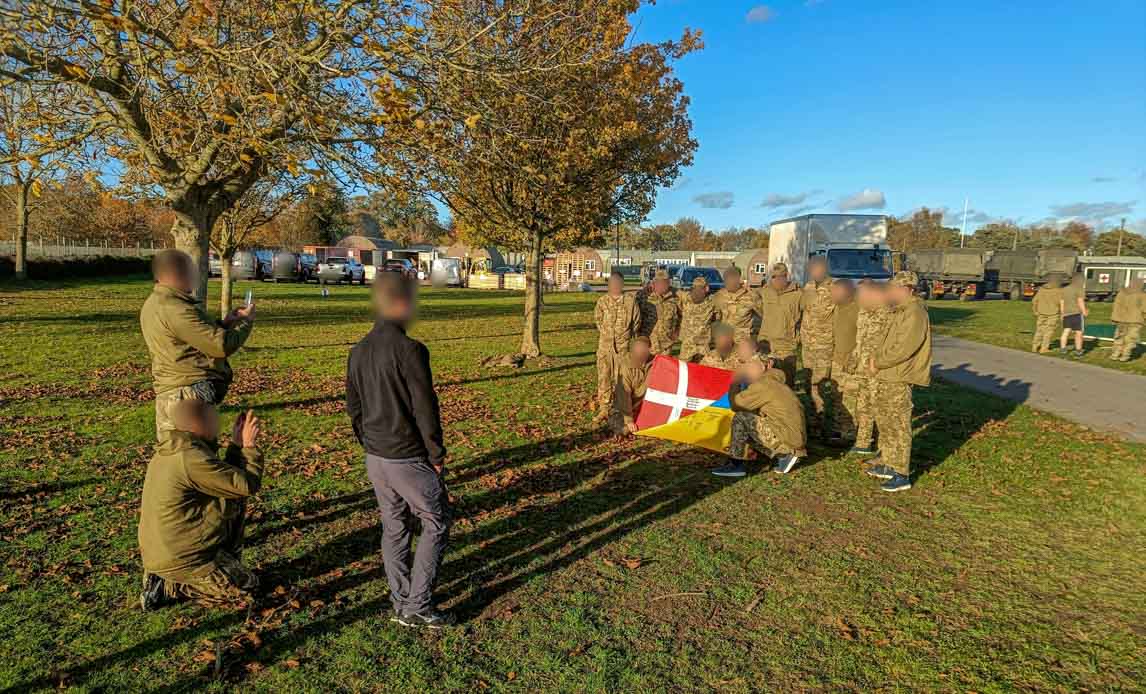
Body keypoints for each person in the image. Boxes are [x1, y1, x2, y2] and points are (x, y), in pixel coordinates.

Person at [346, 273, 453, 628]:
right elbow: (426, 407)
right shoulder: (411, 351)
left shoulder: (358, 351)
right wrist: (436, 456)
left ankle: (400, 598)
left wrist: (368, 442)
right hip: (406, 456)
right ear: (403, 303)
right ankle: (417, 605)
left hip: (375, 457)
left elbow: (354, 407)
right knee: (435, 522)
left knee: (394, 527)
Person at [138, 400, 262, 610]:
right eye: (214, 418)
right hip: (183, 555)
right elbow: (246, 484)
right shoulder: (191, 459)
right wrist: (249, 447)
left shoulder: (176, 449)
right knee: (247, 588)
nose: (218, 422)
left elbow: (226, 482)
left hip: (169, 549)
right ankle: (169, 586)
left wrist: (236, 445)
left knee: (231, 497)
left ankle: (170, 575)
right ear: (198, 424)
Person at [140, 249, 255, 441]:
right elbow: (220, 346)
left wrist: (225, 324)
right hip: (186, 396)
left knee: (182, 461)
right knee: (196, 461)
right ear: (180, 274)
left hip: (176, 391)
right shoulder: (175, 309)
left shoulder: (158, 303)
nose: (197, 276)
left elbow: (190, 340)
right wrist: (246, 322)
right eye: (193, 271)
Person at [864, 271, 932, 493]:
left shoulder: (914, 312)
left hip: (898, 376)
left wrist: (879, 362)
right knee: (885, 421)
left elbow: (904, 347)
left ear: (907, 289)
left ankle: (901, 473)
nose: (890, 292)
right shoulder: (899, 310)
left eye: (893, 288)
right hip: (886, 375)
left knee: (898, 424)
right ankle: (888, 462)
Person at [712, 354, 806, 478]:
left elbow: (736, 404)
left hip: (789, 438)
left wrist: (734, 383)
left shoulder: (764, 385)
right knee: (749, 422)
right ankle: (782, 454)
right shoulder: (774, 381)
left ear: (763, 367)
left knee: (741, 418)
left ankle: (736, 464)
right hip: (793, 435)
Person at [849, 281, 892, 456]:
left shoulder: (888, 313)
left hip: (879, 369)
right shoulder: (863, 312)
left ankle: (885, 448)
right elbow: (860, 339)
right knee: (863, 406)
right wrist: (854, 358)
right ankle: (863, 442)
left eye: (862, 294)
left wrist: (879, 364)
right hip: (862, 368)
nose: (859, 298)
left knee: (880, 408)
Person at [593, 270, 641, 423]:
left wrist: (625, 338)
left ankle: (619, 409)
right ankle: (604, 408)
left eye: (617, 283)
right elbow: (598, 320)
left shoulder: (630, 302)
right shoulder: (602, 301)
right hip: (605, 348)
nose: (614, 286)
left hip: (623, 348)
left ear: (622, 284)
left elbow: (636, 322)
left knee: (621, 380)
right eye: (611, 283)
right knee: (604, 378)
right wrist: (607, 335)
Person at [799, 257, 836, 436]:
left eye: (818, 268)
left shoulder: (835, 289)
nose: (815, 271)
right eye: (812, 269)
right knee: (808, 385)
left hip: (824, 345)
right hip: (807, 346)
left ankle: (825, 425)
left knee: (822, 386)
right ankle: (812, 422)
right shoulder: (808, 287)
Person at [756, 262, 802, 386]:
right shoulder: (764, 292)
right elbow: (759, 311)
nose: (777, 280)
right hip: (766, 345)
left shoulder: (798, 294)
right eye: (774, 277)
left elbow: (804, 317)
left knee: (787, 383)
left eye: (781, 276)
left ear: (786, 276)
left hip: (786, 347)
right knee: (764, 382)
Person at [827, 279, 859, 446]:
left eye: (834, 292)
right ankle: (839, 428)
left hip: (851, 364)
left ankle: (850, 433)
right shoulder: (838, 308)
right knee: (837, 397)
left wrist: (854, 360)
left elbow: (865, 339)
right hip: (837, 361)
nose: (831, 295)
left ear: (846, 291)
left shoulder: (858, 310)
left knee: (850, 399)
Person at [616, 337, 654, 435]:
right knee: (625, 430)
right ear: (632, 350)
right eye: (638, 349)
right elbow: (624, 394)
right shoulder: (626, 366)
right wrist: (629, 420)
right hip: (626, 406)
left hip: (646, 406)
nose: (640, 352)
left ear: (649, 349)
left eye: (643, 349)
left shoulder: (656, 363)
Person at [712, 266, 759, 345]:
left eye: (731, 279)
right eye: (726, 280)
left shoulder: (751, 296)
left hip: (743, 343)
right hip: (725, 342)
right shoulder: (719, 296)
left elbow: (766, 317)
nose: (728, 283)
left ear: (738, 279)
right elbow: (714, 318)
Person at [678, 276, 716, 362]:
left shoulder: (713, 301)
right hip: (688, 344)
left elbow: (717, 317)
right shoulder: (685, 297)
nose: (697, 291)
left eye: (700, 288)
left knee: (703, 370)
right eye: (695, 288)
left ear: (706, 289)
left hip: (702, 344)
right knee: (684, 370)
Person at [643, 269, 681, 356]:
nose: (661, 285)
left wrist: (677, 333)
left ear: (668, 283)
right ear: (654, 283)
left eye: (664, 282)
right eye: (659, 282)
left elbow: (681, 317)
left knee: (664, 369)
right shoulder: (646, 297)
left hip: (666, 345)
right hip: (649, 344)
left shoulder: (676, 299)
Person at [1109, 277, 1145, 362]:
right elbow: (1144, 309)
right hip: (1135, 320)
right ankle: (1125, 356)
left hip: (1121, 319)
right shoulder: (1142, 295)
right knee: (1131, 339)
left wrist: (1114, 318)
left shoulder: (1121, 293)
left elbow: (1116, 306)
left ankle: (1115, 354)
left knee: (1119, 337)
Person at [1030, 277, 1063, 354]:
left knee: (1039, 329)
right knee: (1049, 331)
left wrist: (1035, 310)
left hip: (1041, 312)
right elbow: (1061, 303)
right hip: (1053, 313)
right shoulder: (1059, 291)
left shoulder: (1042, 289)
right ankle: (1044, 348)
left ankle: (1034, 346)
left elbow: (1034, 301)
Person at [1059, 273, 1088, 356]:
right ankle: (1078, 350)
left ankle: (1063, 348)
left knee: (1066, 331)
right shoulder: (1079, 289)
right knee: (1079, 333)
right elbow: (1080, 301)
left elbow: (1062, 302)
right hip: (1077, 313)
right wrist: (1084, 311)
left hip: (1066, 313)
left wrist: (1062, 313)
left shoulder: (1064, 289)